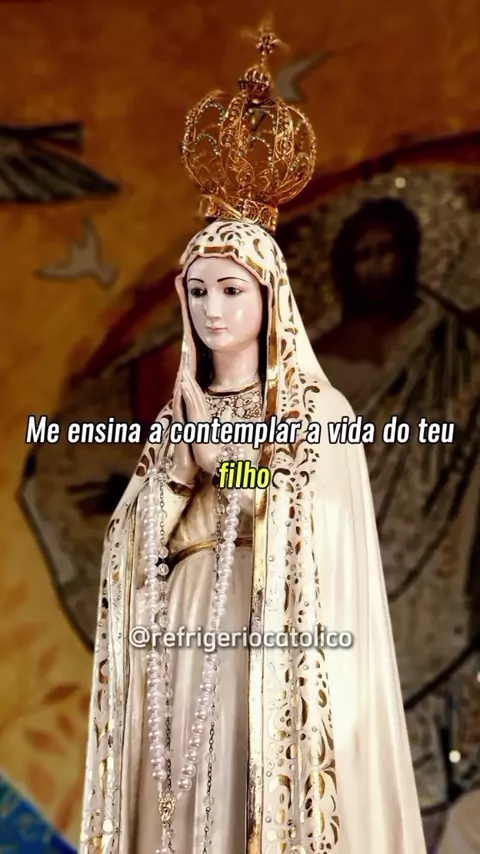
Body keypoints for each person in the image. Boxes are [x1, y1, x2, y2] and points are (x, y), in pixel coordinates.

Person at [79, 25, 427, 854]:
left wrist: (222, 462)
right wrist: (176, 478)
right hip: (183, 638)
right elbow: (132, 544)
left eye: (232, 289)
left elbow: (303, 514)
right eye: (198, 290)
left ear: (271, 298)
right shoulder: (178, 412)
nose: (212, 308)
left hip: (269, 640)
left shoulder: (316, 410)